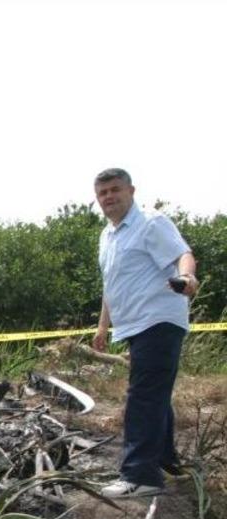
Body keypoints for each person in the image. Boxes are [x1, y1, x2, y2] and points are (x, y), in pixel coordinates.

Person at [91, 168, 198, 498]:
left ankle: (140, 475)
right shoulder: (108, 236)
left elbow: (183, 254)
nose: (109, 197)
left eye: (115, 190)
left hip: (159, 319)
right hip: (134, 326)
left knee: (142, 395)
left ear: (131, 191)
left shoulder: (150, 223)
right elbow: (113, 284)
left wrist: (188, 279)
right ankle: (166, 462)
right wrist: (103, 326)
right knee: (155, 393)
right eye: (103, 192)